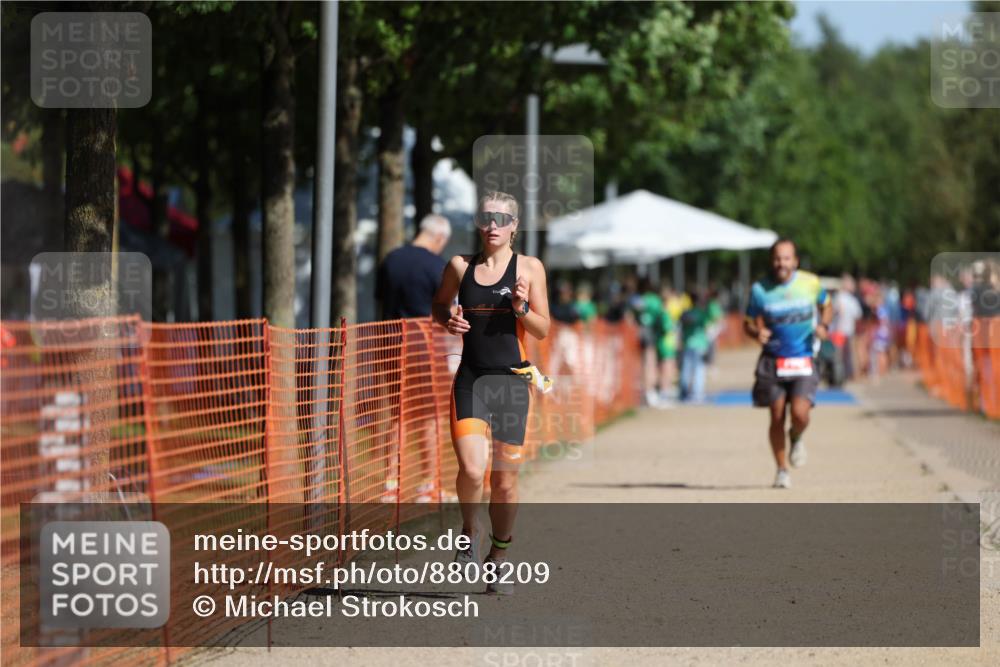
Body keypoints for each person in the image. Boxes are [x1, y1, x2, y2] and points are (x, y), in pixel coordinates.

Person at [431, 190, 550, 595]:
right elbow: (440, 305)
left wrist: (520, 308)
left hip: (513, 382)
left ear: (515, 226)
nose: (494, 225)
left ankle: (499, 557)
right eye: (487, 218)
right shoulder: (459, 265)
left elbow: (542, 328)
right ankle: (469, 530)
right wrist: (449, 320)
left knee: (503, 483)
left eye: (503, 219)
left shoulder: (530, 268)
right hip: (471, 378)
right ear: (479, 223)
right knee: (471, 470)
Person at [744, 239, 832, 489]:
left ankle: (797, 435)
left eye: (786, 258)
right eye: (777, 259)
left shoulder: (811, 283)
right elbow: (747, 322)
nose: (781, 263)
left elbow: (827, 306)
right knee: (776, 415)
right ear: (772, 261)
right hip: (773, 361)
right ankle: (782, 469)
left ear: (795, 261)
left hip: (803, 358)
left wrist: (824, 325)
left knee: (800, 414)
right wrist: (755, 333)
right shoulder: (760, 290)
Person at [376, 214, 451, 319]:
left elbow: (380, 298)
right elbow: (448, 307)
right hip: (423, 333)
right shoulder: (438, 265)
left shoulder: (390, 258)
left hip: (389, 333)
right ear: (440, 238)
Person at [679, 292, 711, 403]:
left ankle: (684, 393)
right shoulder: (702, 313)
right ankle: (697, 394)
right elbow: (707, 328)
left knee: (686, 369)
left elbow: (681, 327)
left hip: (688, 344)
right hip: (700, 345)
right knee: (699, 369)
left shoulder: (685, 313)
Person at [831, 273, 862, 380]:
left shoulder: (840, 298)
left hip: (841, 331)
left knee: (840, 356)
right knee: (847, 355)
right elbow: (858, 315)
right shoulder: (849, 299)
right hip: (844, 331)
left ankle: (843, 375)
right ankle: (850, 375)